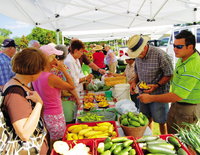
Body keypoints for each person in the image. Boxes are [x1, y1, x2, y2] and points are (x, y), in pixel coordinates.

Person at [138, 30, 200, 134]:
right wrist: (156, 84)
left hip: (187, 108)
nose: (175, 49)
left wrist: (150, 98)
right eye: (174, 46)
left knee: (181, 143)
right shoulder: (183, 58)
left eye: (179, 47)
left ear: (190, 47)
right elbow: (176, 79)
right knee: (171, 135)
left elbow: (177, 95)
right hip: (177, 104)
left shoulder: (192, 67)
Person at [2, 48, 49, 154]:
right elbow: (24, 133)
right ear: (34, 70)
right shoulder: (15, 92)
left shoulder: (19, 85)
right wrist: (39, 104)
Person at [129, 35, 173, 134]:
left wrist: (157, 85)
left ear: (144, 46)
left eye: (139, 53)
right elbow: (138, 72)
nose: (138, 56)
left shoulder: (160, 55)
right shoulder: (138, 56)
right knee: (146, 118)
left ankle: (164, 138)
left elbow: (169, 74)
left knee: (162, 121)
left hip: (158, 94)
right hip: (143, 93)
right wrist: (134, 82)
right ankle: (150, 136)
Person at [32, 45, 75, 147]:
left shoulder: (35, 74)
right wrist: (63, 69)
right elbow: (71, 86)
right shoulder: (51, 77)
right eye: (55, 57)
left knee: (49, 143)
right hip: (55, 115)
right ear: (49, 59)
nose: (57, 59)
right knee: (58, 145)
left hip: (43, 114)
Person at [51, 44, 81, 123]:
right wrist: (78, 99)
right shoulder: (63, 68)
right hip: (66, 102)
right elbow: (71, 87)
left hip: (54, 103)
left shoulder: (50, 68)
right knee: (68, 125)